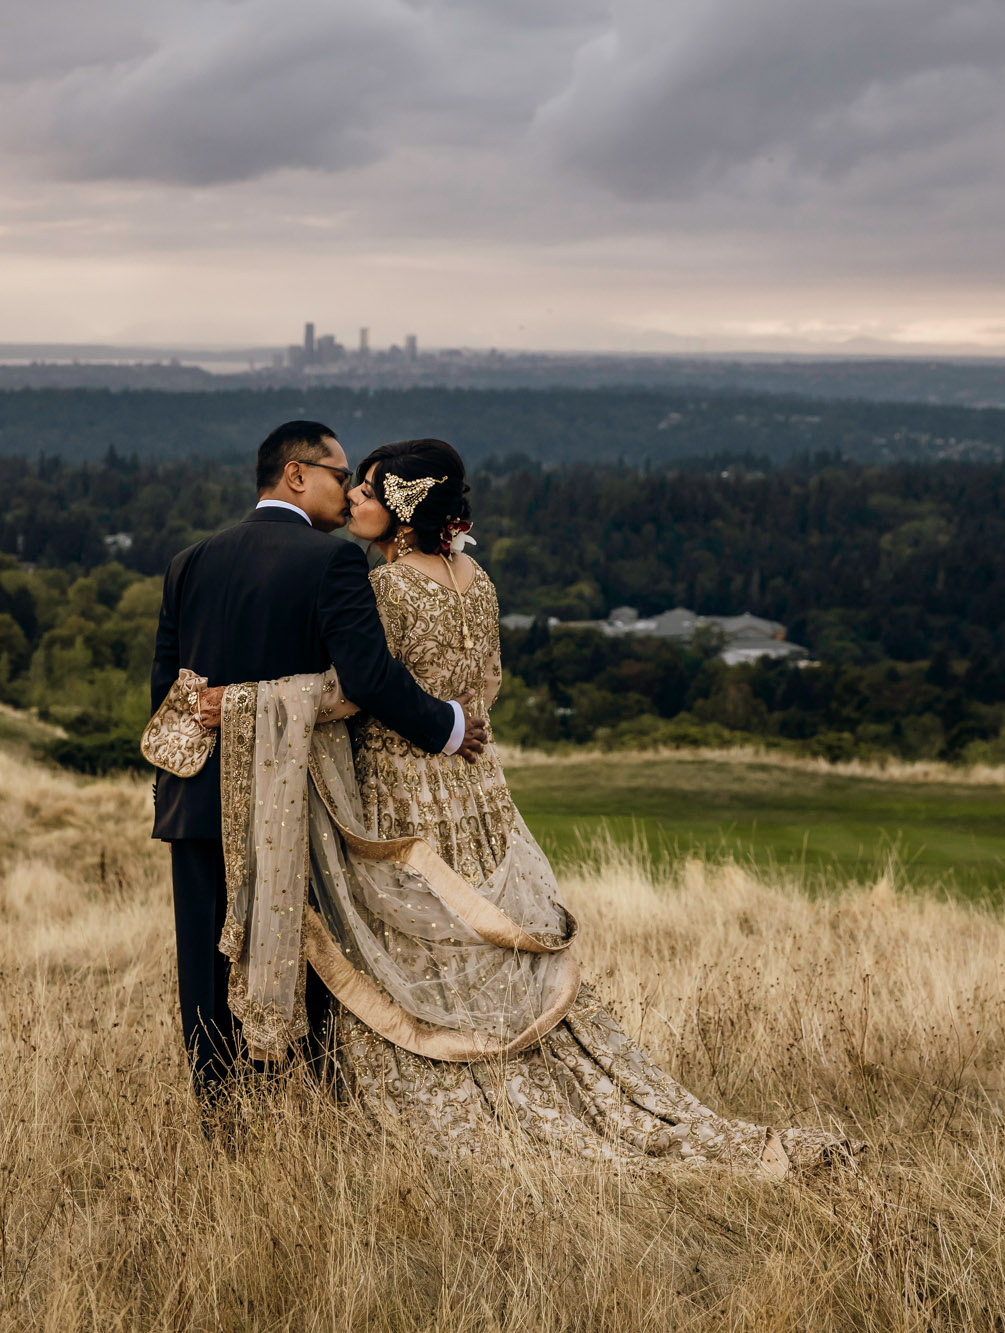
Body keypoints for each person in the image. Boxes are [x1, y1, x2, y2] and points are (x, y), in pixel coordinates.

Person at [183, 438, 863, 1174]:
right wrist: (453, 720)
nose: (353, 499)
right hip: (478, 789)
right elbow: (491, 682)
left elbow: (359, 689)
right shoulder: (479, 581)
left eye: (371, 491)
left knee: (423, 939)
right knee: (479, 932)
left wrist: (249, 703)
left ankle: (460, 1082)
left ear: (406, 508)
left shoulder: (389, 590)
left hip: (405, 788)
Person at [150, 421, 491, 1100]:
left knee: (205, 966)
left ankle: (217, 1110)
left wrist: (198, 751)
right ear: (298, 474)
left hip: (194, 798)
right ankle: (303, 1101)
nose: (349, 492)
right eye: (342, 477)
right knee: (307, 954)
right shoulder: (332, 563)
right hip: (291, 798)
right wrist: (446, 724)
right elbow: (366, 678)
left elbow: (168, 687)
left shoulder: (189, 559)